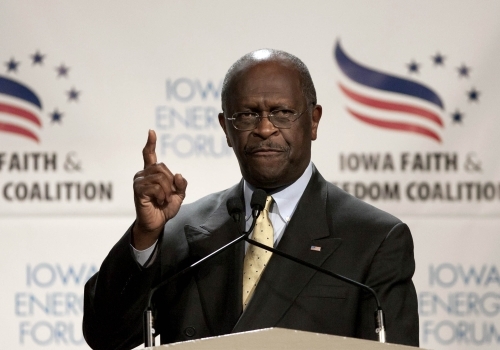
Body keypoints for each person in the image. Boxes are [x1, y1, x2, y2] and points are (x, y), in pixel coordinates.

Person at [83, 49, 419, 350]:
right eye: (246, 115)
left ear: (313, 121)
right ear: (225, 129)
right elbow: (105, 336)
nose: (264, 128)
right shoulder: (179, 230)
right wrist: (145, 237)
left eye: (283, 112)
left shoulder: (374, 239)